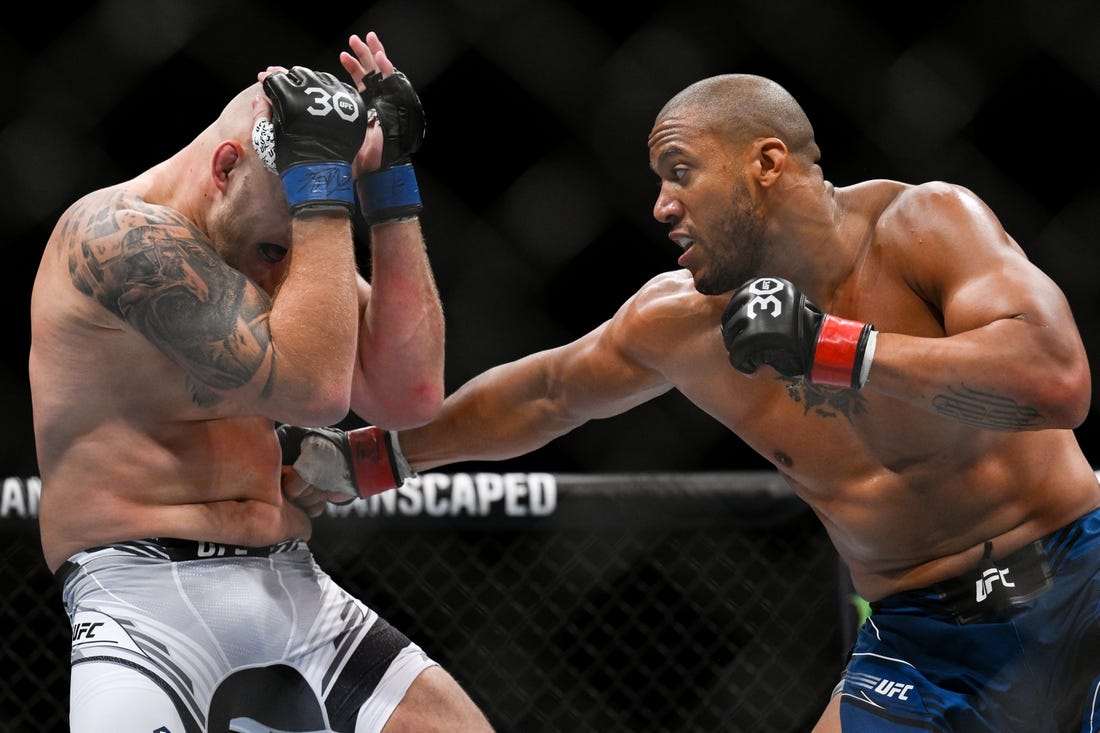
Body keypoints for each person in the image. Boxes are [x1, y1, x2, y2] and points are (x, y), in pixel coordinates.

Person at [282, 73, 1100, 732]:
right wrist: (378, 455)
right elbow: (549, 392)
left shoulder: (925, 224)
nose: (661, 207)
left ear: (766, 164)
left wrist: (831, 348)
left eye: (681, 172)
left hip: (1078, 571)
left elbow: (1057, 380)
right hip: (924, 641)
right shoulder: (683, 323)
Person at [29, 30, 492, 733]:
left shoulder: (276, 241)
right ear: (224, 167)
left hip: (291, 585)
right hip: (146, 604)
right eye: (284, 242)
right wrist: (320, 196)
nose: (281, 270)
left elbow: (408, 394)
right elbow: (316, 390)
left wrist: (386, 184)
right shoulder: (114, 236)